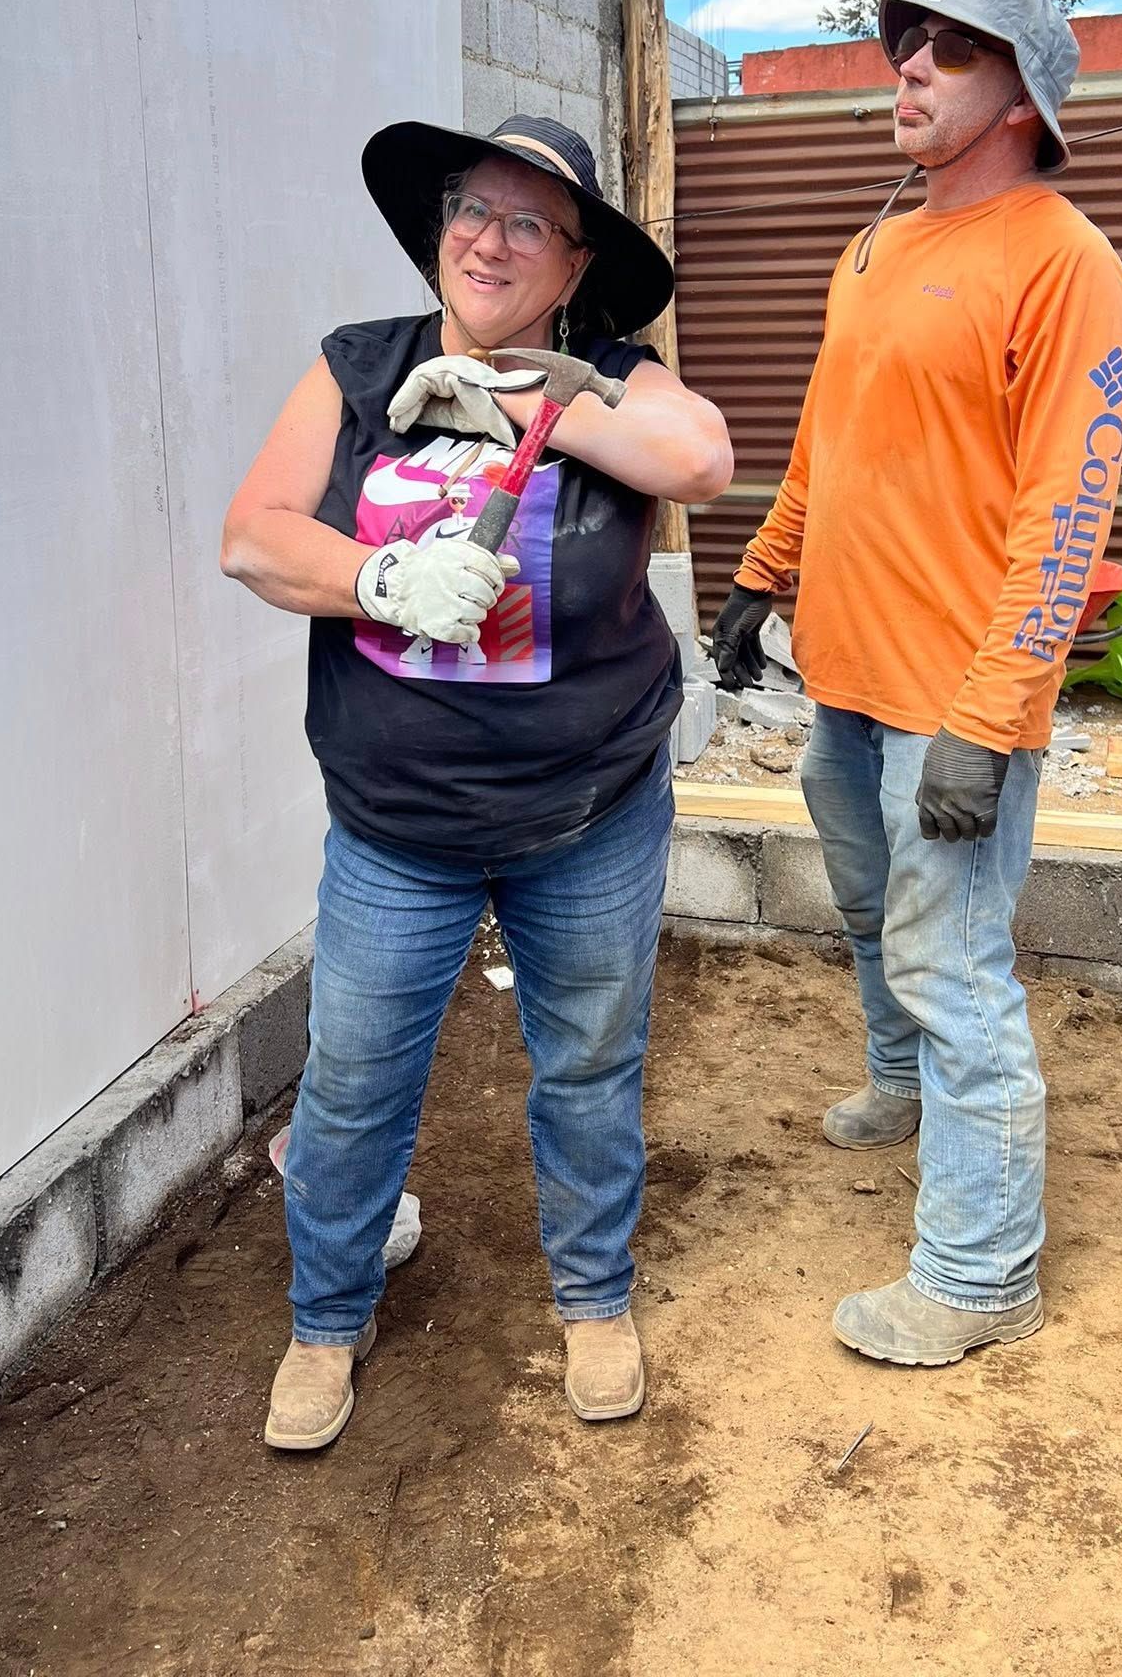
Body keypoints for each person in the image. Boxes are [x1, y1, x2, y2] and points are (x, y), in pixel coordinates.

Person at [222, 114, 734, 1447]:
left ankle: (595, 1299)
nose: (489, 240)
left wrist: (520, 396)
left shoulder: (613, 378)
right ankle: (327, 1319)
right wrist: (380, 574)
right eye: (471, 208)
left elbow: (699, 459)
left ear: (575, 264)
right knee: (353, 1080)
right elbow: (254, 538)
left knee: (589, 1062)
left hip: (589, 814)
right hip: (400, 827)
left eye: (528, 223)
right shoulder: (358, 367)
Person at [711, 0, 1122, 1367]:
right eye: (906, 46)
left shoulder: (1068, 266)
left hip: (955, 700)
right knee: (870, 910)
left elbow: (1066, 519)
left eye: (951, 53)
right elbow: (828, 430)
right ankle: (898, 1085)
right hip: (844, 673)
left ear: (1022, 99)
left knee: (955, 970)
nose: (906, 69)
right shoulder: (877, 246)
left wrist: (993, 719)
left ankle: (979, 1273)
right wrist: (766, 569)